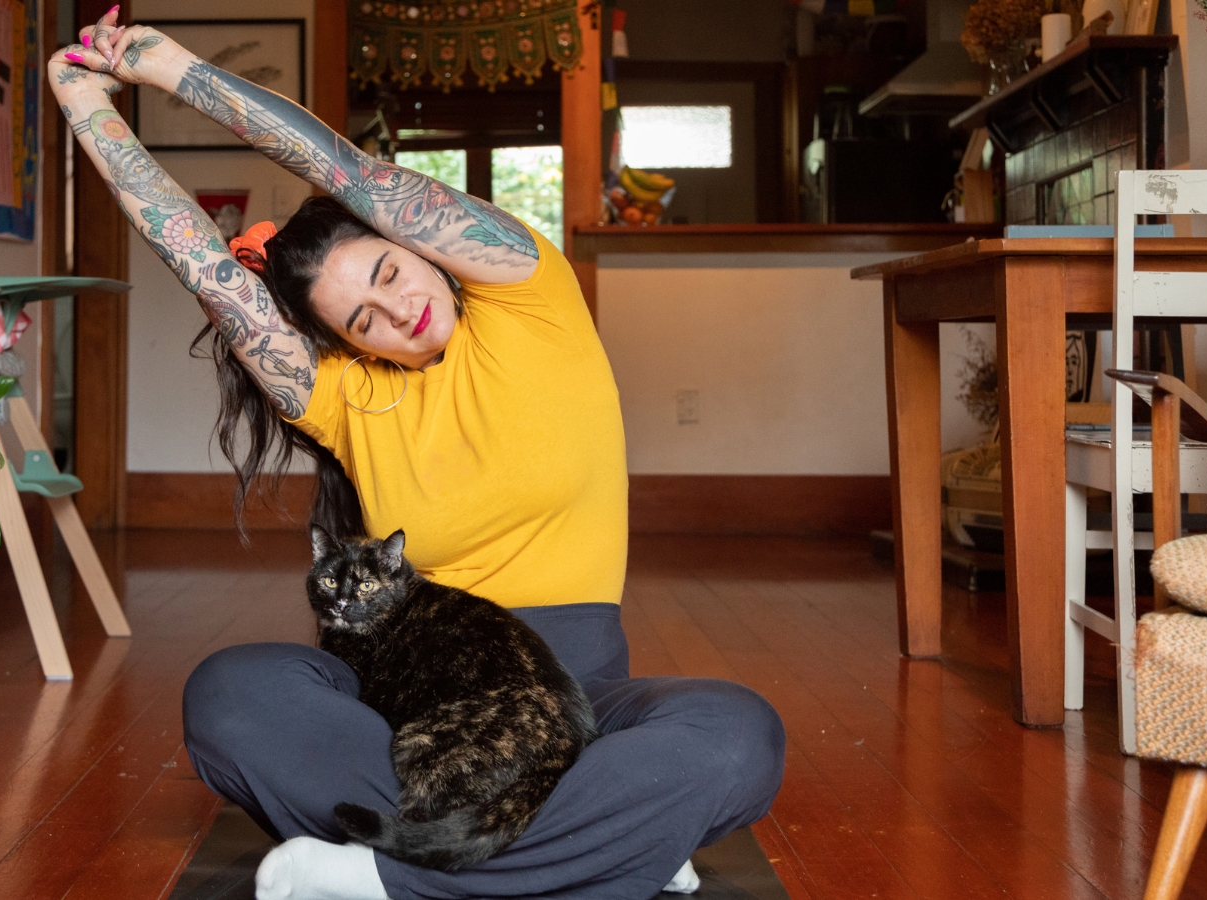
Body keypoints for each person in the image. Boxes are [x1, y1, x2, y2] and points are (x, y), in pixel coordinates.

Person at [49, 11, 785, 900]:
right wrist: (85, 105)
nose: (396, 312)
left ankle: (398, 875)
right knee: (228, 696)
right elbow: (205, 267)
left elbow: (346, 172)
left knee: (737, 732)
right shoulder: (350, 399)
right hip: (412, 712)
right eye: (362, 319)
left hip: (573, 701)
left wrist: (172, 69)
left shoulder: (529, 296)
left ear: (420, 245)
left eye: (391, 273)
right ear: (349, 345)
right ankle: (609, 843)